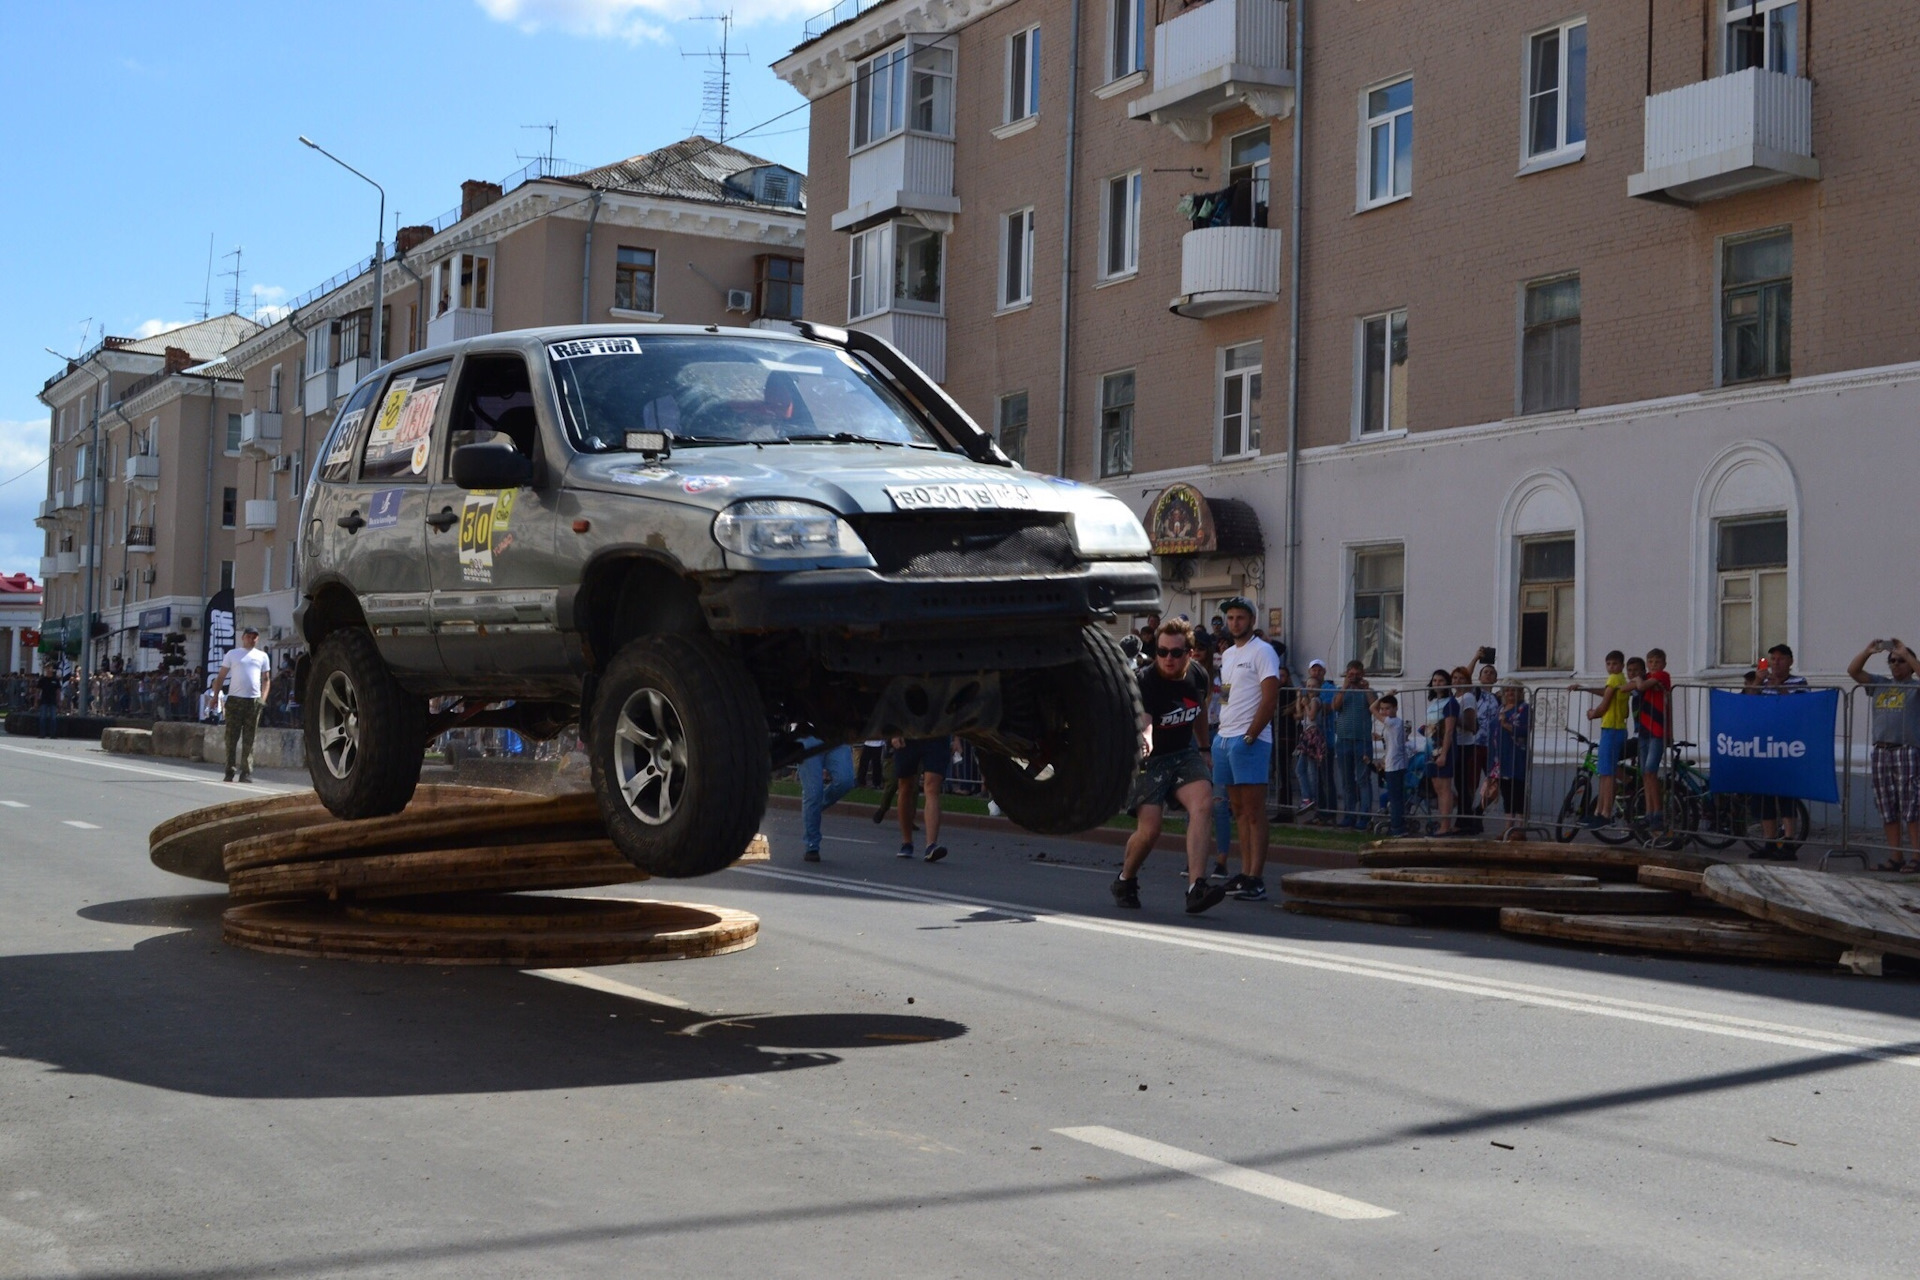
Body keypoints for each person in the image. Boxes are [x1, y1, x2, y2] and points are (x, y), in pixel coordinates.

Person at [1111, 620, 1226, 914]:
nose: (1168, 659)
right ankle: (1126, 879)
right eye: (1162, 652)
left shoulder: (1198, 674)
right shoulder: (1145, 680)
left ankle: (1196, 887)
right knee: (1150, 830)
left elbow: (1197, 710)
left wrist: (1203, 748)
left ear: (1189, 653)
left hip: (1183, 753)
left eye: (1176, 653)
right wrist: (1145, 742)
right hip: (1150, 759)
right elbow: (1145, 722)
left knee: (1203, 804)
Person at [1212, 597, 1280, 900]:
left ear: (1251, 620)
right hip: (1225, 738)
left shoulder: (1263, 651)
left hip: (1249, 740)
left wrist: (1251, 734)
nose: (1234, 622)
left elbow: (1269, 699)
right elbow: (1227, 696)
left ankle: (1257, 877)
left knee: (1254, 812)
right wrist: (1221, 732)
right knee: (1237, 810)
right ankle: (1244, 872)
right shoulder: (1227, 655)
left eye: (1240, 617)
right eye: (1230, 618)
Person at [1847, 637, 1920, 870]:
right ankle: (1895, 857)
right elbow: (1853, 671)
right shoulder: (1879, 684)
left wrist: (1908, 654)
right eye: (1892, 661)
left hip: (1906, 750)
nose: (1896, 665)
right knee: (1887, 806)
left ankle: (1917, 857)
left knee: (1911, 806)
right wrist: (1868, 651)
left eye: (1900, 661)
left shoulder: (1914, 687)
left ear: (1910, 664)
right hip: (1881, 751)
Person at [1751, 642, 1810, 857]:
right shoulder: (1763, 682)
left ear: (1790, 661)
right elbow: (1747, 703)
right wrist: (1758, 681)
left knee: (1786, 794)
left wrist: (1779, 686)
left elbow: (1799, 707)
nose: (1776, 662)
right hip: (1765, 744)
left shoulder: (1798, 681)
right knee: (1765, 795)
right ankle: (1768, 842)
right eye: (1772, 659)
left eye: (1781, 659)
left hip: (1787, 745)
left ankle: (1788, 842)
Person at [1570, 651, 1629, 831]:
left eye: (1615, 664)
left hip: (1612, 729)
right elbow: (1606, 693)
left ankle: (1604, 813)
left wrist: (1592, 714)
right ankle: (1598, 812)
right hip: (1612, 729)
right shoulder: (1619, 681)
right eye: (1609, 664)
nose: (1611, 667)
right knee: (1604, 773)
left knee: (1607, 775)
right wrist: (1586, 688)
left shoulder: (1615, 679)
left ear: (1621, 666)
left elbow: (1604, 705)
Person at [216, 627, 273, 783]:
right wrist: (215, 696)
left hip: (253, 701)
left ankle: (246, 772)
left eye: (255, 637)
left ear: (257, 639)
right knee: (231, 737)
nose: (252, 639)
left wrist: (263, 698)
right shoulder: (233, 654)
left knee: (249, 738)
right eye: (249, 636)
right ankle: (229, 771)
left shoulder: (262, 656)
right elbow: (221, 677)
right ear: (243, 638)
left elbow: (266, 679)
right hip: (235, 699)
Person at [1626, 648, 1672, 833]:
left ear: (1663, 664)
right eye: (1651, 662)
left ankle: (1658, 814)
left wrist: (1638, 680)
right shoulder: (1644, 677)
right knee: (1645, 774)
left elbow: (1642, 686)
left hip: (1658, 731)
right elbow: (1626, 688)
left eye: (1657, 662)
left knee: (1651, 771)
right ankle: (1649, 813)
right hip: (1644, 731)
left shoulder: (1663, 676)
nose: (1654, 665)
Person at [1329, 660, 1375, 829]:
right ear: (1346, 674)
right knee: (1347, 781)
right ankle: (1349, 815)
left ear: (1362, 674)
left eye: (1357, 674)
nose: (1354, 677)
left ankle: (1364, 816)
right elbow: (1335, 706)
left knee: (1363, 779)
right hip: (1343, 741)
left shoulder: (1368, 691)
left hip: (1362, 741)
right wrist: (1344, 687)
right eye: (1351, 674)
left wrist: (1365, 689)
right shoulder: (1342, 691)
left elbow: (1373, 706)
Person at [797, 740, 858, 863]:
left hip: (838, 737)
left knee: (845, 781)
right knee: (813, 793)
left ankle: (812, 810)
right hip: (807, 737)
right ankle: (812, 846)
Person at [890, 735, 949, 862]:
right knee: (906, 786)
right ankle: (907, 842)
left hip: (937, 734)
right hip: (908, 734)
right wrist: (895, 733)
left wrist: (956, 740)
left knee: (932, 787)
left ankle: (931, 845)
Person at [1490, 684, 1532, 841]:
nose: (1510, 693)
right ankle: (1508, 828)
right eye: (1506, 690)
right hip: (1500, 757)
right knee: (1506, 792)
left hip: (1516, 755)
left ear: (1520, 693)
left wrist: (1507, 725)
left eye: (1513, 690)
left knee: (1518, 790)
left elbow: (1525, 730)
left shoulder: (1524, 708)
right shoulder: (1500, 709)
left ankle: (1519, 828)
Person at [1293, 660, 1331, 822]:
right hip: (1306, 735)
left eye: (1312, 686)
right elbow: (1299, 715)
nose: (1310, 688)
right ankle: (1307, 797)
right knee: (1301, 769)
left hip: (1313, 735)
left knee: (1307, 768)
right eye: (1308, 685)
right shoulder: (1308, 700)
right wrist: (1298, 699)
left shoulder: (1316, 701)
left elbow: (1312, 716)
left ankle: (1311, 797)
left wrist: (1306, 704)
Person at [1424, 670, 1460, 835]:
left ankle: (1445, 825)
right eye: (1435, 680)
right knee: (1437, 787)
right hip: (1430, 749)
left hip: (1442, 749)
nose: (1437, 683)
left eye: (1441, 680)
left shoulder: (1451, 703)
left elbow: (1449, 730)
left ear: (1447, 683)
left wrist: (1444, 753)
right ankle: (1443, 821)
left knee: (1444, 787)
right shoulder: (1433, 703)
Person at [1372, 693, 1409, 837]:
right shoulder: (1395, 723)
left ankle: (1397, 828)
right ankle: (1398, 825)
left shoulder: (1393, 722)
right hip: (1392, 763)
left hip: (1394, 765)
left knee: (1395, 798)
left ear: (1395, 708)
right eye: (1382, 709)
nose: (1383, 712)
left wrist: (1387, 694)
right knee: (1396, 797)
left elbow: (1371, 708)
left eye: (1387, 708)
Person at [35, 658, 60, 738]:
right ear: (45, 669)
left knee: (53, 718)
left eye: (50, 668)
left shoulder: (55, 680)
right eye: (47, 668)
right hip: (44, 700)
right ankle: (42, 734)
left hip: (52, 701)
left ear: (53, 669)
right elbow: (38, 691)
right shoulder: (42, 680)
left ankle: (53, 734)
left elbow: (58, 692)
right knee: (43, 718)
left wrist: (59, 701)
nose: (49, 669)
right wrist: (36, 701)